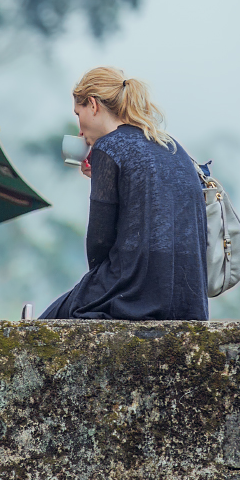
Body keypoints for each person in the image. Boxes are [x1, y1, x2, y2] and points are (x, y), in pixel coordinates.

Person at [40, 67, 208, 320]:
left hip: (135, 294)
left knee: (45, 325)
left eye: (79, 113)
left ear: (93, 105)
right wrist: (101, 177)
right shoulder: (172, 146)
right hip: (188, 302)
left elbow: (99, 241)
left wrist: (95, 284)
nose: (80, 128)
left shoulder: (109, 146)